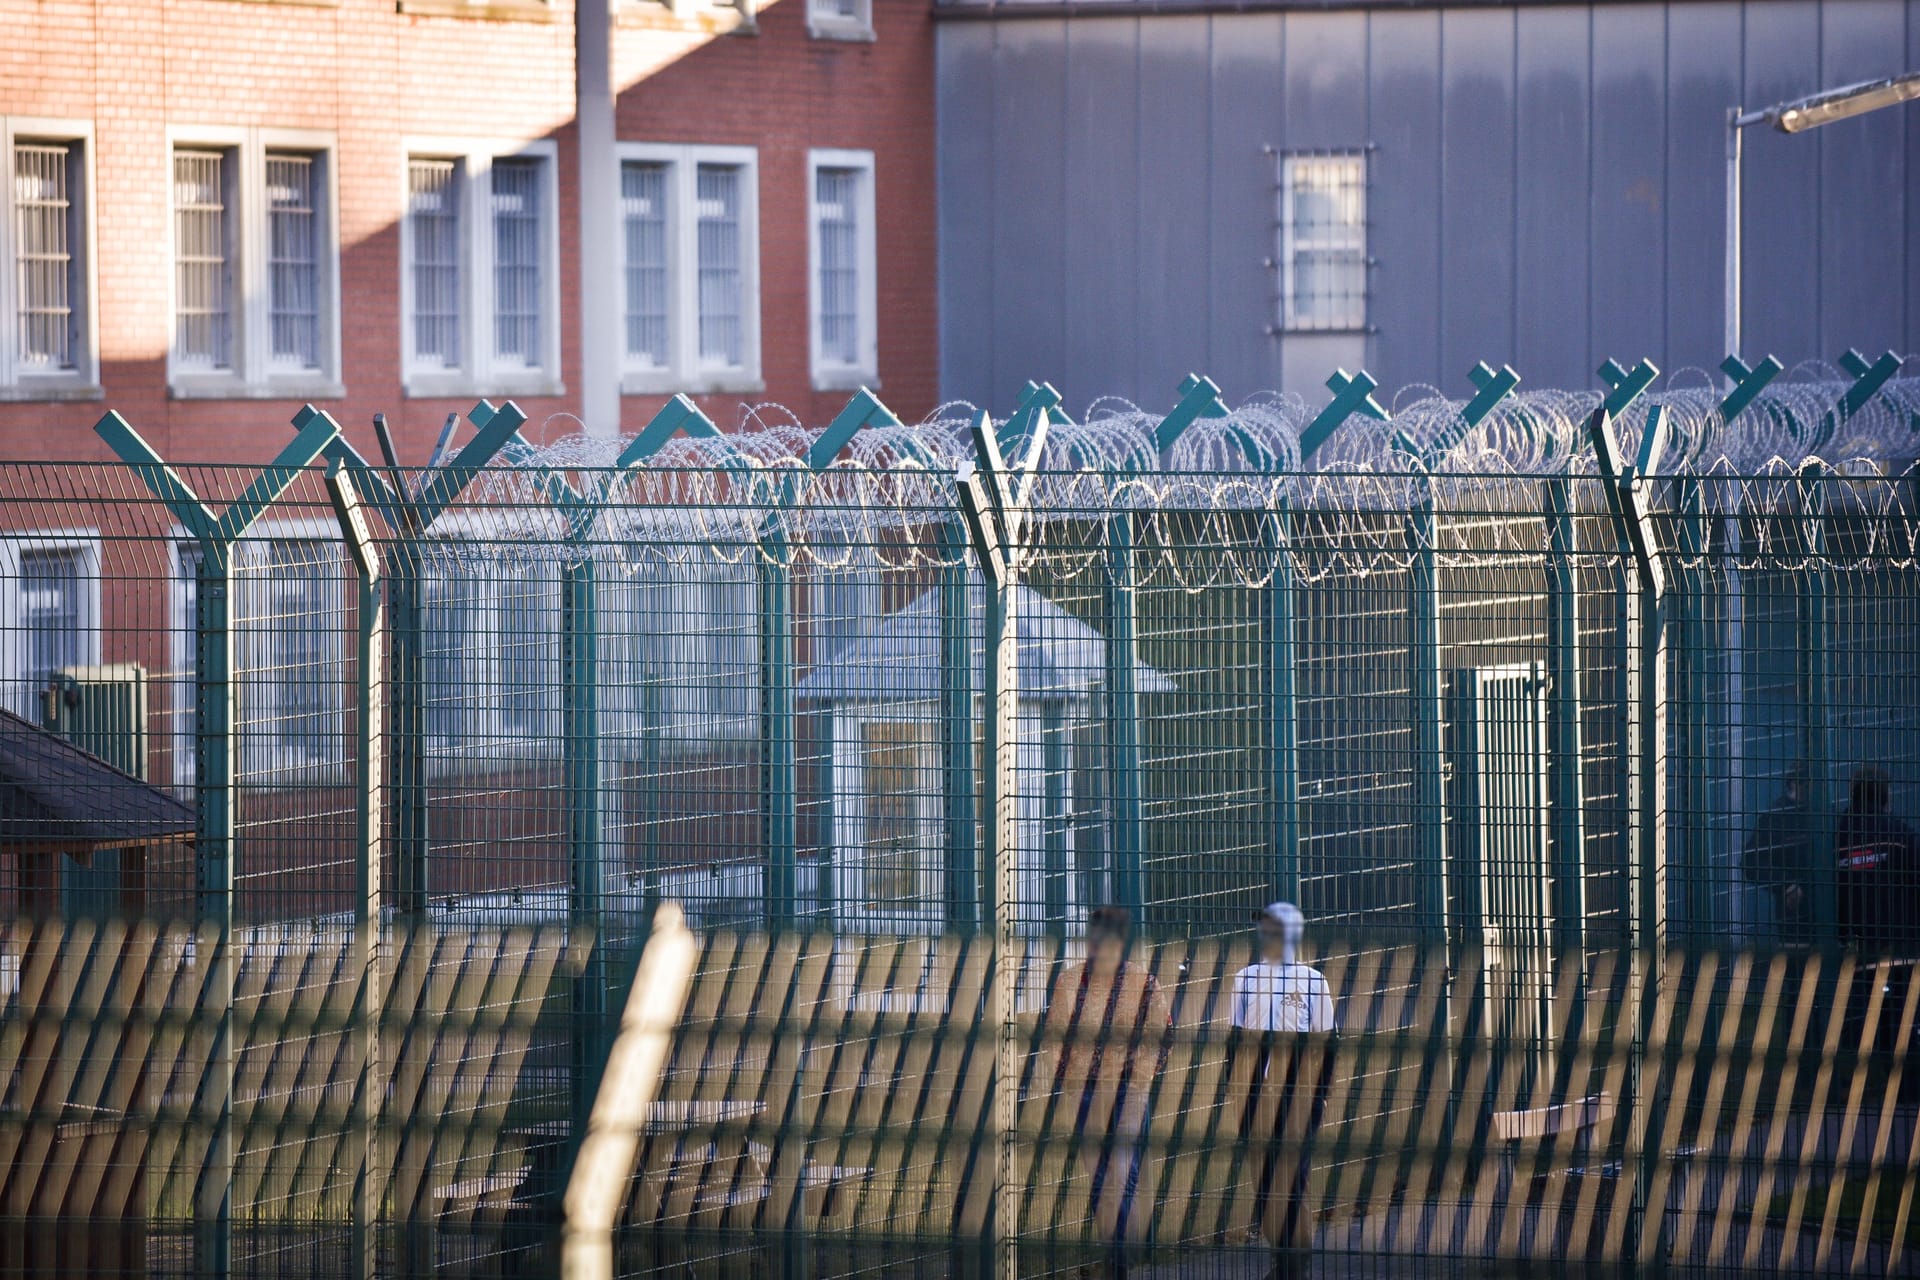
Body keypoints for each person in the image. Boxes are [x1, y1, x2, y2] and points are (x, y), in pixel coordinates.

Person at [1039, 905, 1171, 1279]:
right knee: (1100, 1177)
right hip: (1086, 1089)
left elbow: (1162, 1037)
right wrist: (1068, 1079)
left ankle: (1117, 1263)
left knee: (1123, 1172)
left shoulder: (1144, 983)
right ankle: (1115, 1257)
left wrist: (1140, 1079)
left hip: (1129, 1089)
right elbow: (1054, 1036)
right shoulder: (1069, 982)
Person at [1229, 903, 1336, 1280]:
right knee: (1264, 1180)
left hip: (1299, 1095)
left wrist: (1320, 1093)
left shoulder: (1312, 981)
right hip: (1256, 1096)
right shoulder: (1244, 979)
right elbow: (1236, 1043)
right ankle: (1281, 1258)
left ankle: (1296, 1263)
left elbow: (1326, 1043)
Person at [1836, 766, 1920, 954]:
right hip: (1901, 940)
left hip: (1853, 944)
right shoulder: (1899, 834)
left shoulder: (1835, 837)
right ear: (1884, 797)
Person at [1745, 762, 1817, 944]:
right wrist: (1786, 884)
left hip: (1826, 909)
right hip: (1796, 914)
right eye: (1812, 783)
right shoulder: (1776, 817)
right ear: (1795, 784)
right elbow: (1752, 862)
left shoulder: (1823, 810)